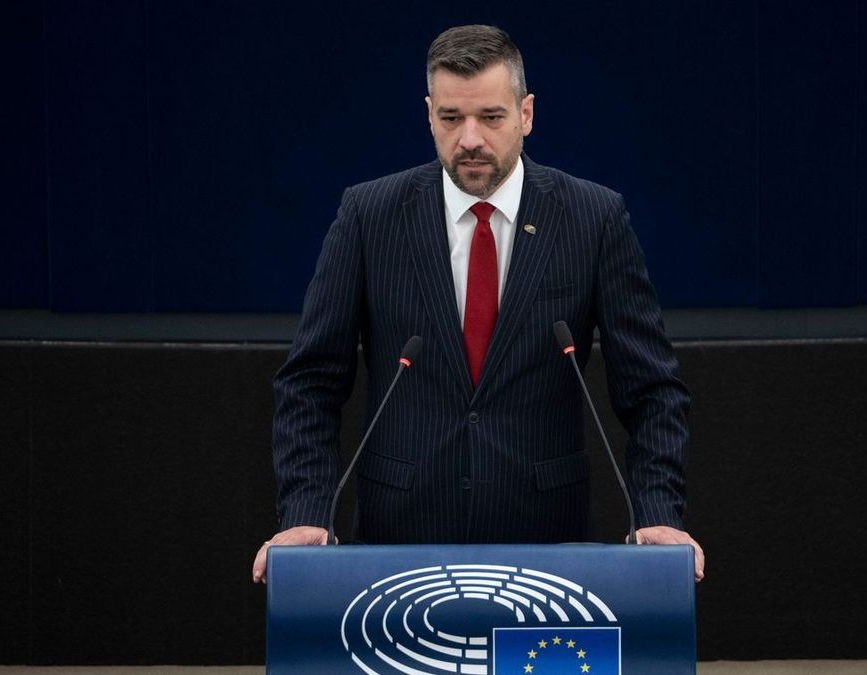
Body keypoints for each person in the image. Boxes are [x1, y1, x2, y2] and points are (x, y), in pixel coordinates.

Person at [252, 24, 703, 583]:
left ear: (526, 114)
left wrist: (657, 513)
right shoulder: (370, 216)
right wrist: (305, 512)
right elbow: (310, 383)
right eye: (451, 118)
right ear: (428, 115)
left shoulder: (593, 219)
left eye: (491, 117)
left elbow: (653, 391)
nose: (470, 139)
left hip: (547, 545)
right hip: (398, 544)